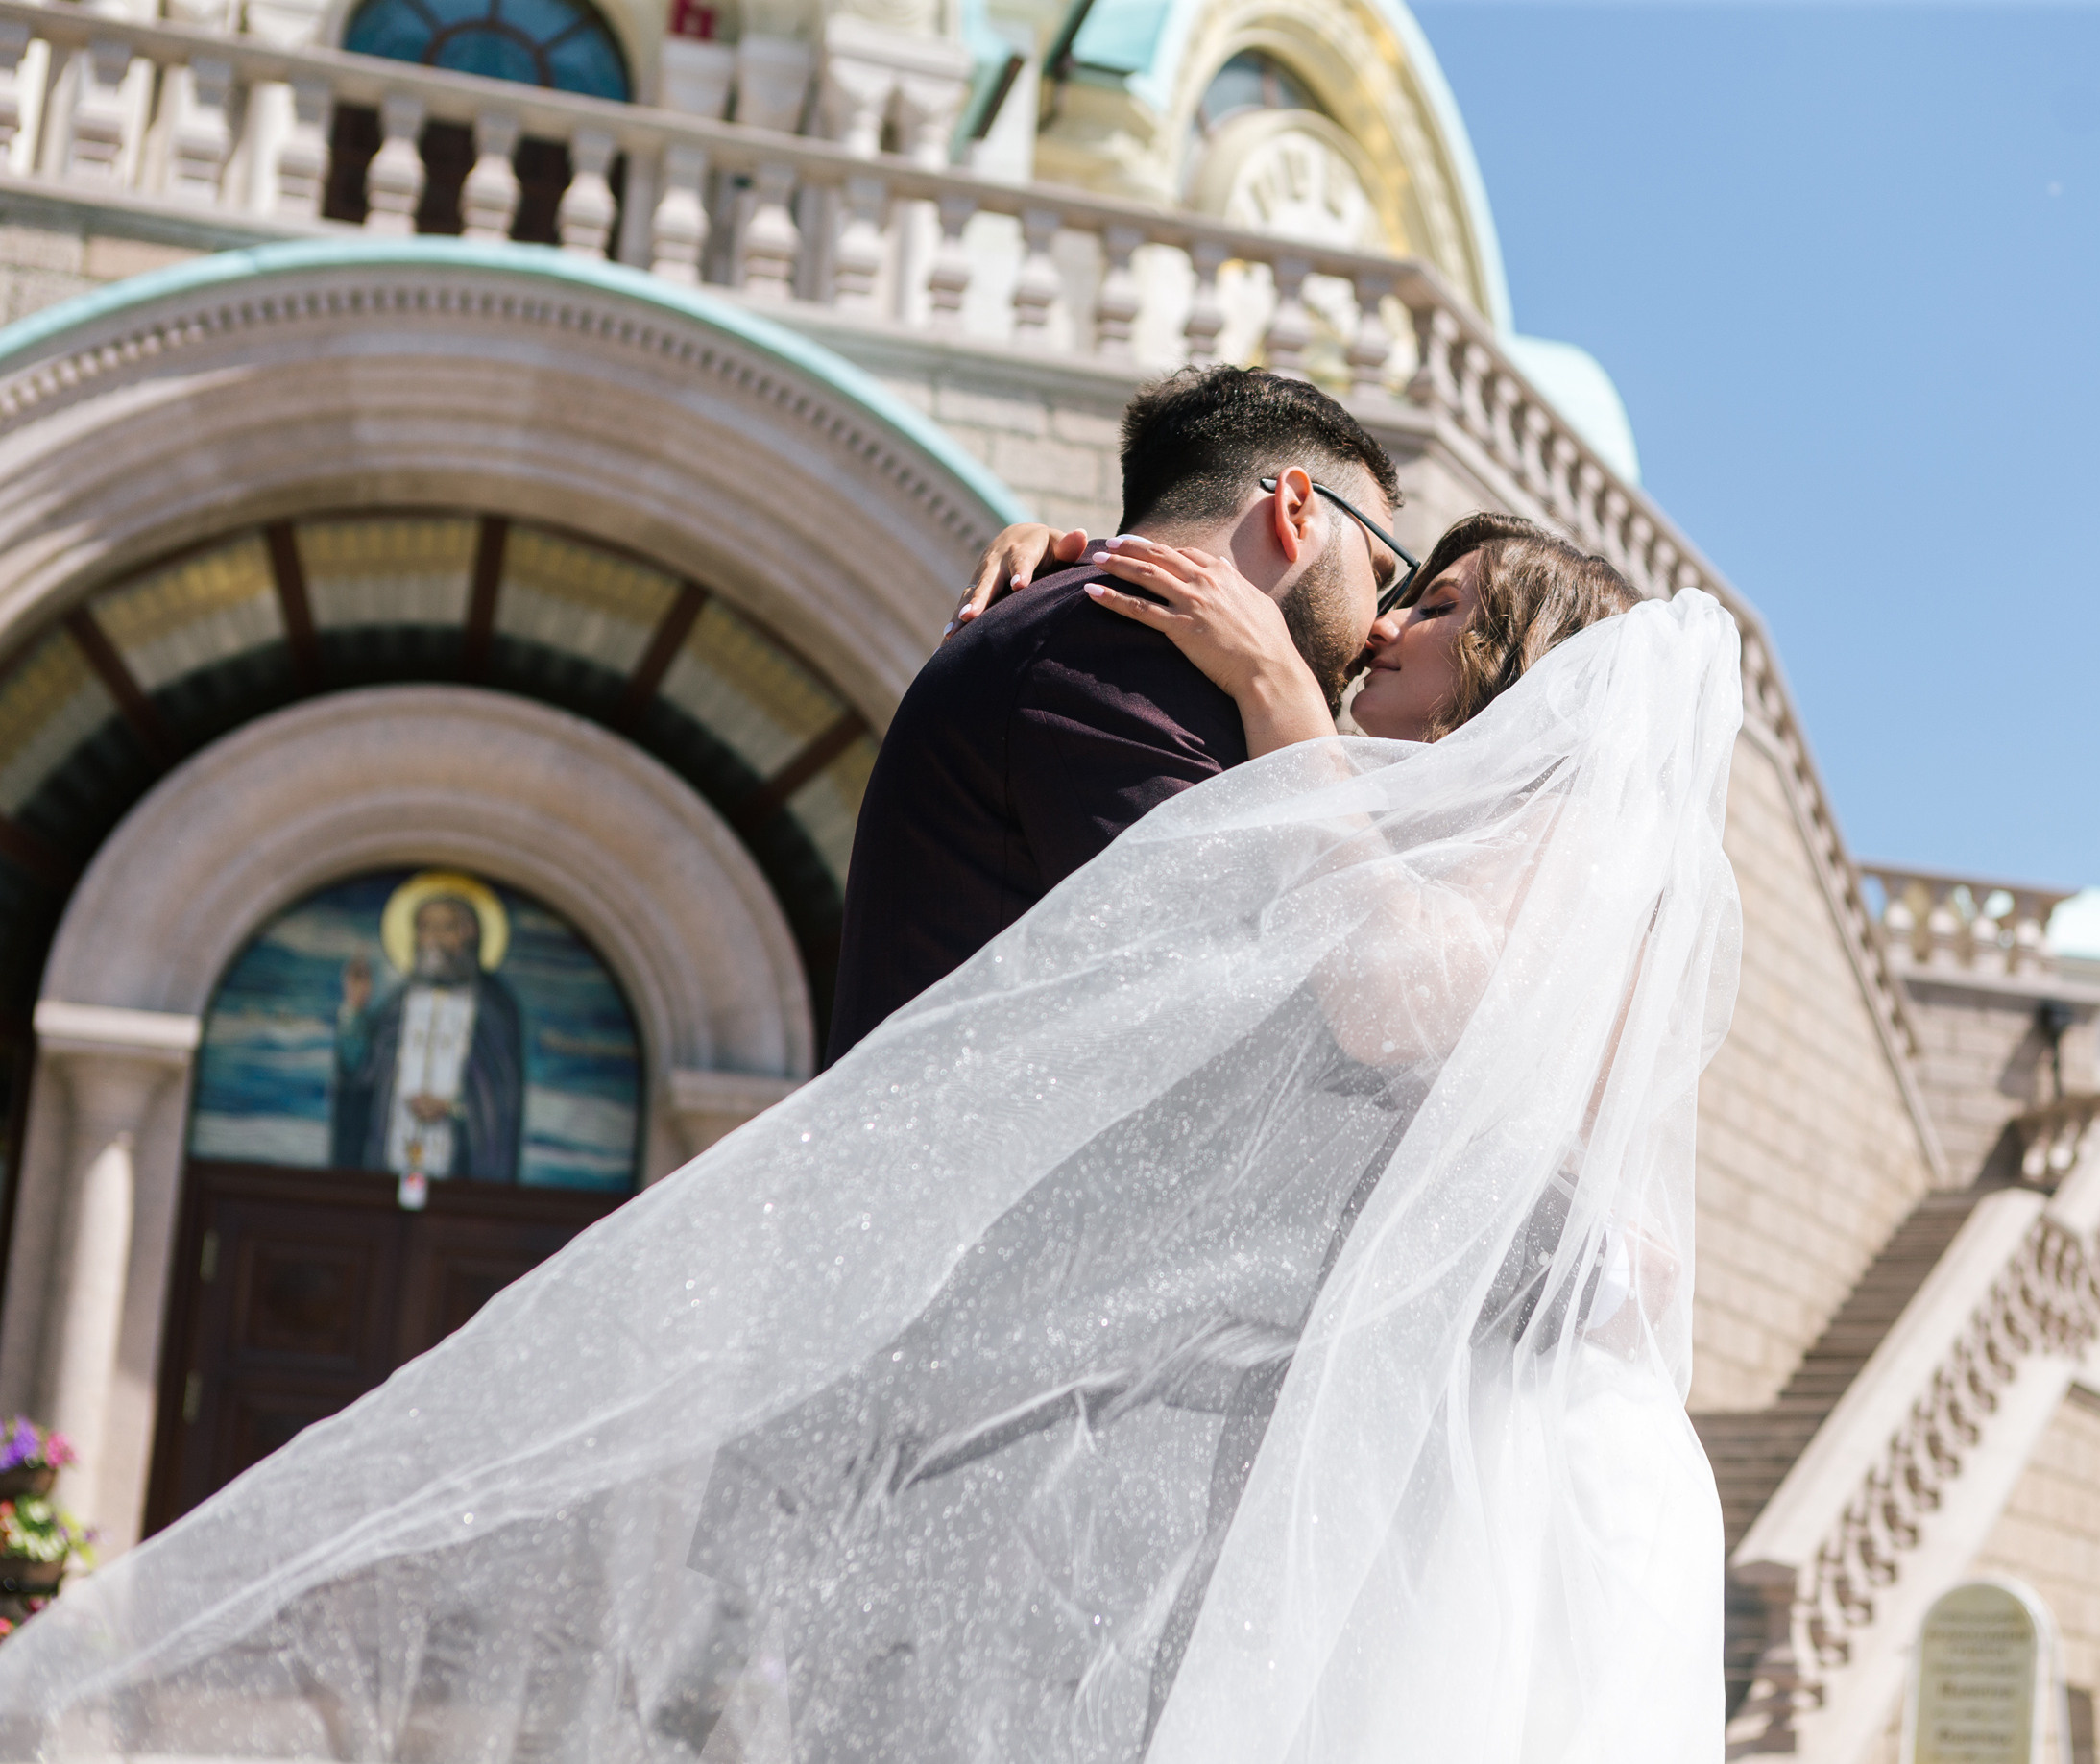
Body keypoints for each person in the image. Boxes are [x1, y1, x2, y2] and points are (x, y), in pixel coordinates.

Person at [0, 506, 1740, 1764]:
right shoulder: (1439, 817)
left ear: (1517, 665)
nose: (1389, 626)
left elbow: (1403, 1006)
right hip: (1395, 1423)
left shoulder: (1580, 844)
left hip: (1504, 1448)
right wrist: (1092, 564)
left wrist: (1281, 712)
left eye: (1440, 605)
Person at [826, 364, 1405, 1063]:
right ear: (1296, 511)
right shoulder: (1111, 647)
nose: (1381, 626)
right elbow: (1253, 1029)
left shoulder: (1103, 631)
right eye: (1380, 573)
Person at [331, 892, 524, 1182]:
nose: (432, 938)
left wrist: (455, 1108)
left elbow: (500, 1100)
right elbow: (359, 1073)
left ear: (470, 936)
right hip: (387, 1166)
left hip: (461, 1180)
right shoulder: (398, 1004)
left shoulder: (494, 1010)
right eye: (424, 928)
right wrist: (355, 1010)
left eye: (445, 928)